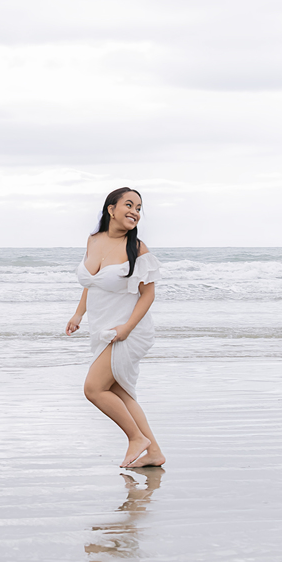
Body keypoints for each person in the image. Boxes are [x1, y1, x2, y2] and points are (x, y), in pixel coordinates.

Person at [67, 187, 165, 468]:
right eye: (129, 205)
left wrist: (127, 328)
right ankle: (154, 453)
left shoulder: (137, 249)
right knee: (120, 392)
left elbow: (148, 295)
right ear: (111, 209)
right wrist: (78, 314)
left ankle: (136, 438)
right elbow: (92, 283)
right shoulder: (93, 240)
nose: (135, 212)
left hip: (127, 331)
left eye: (139, 208)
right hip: (101, 328)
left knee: (93, 389)